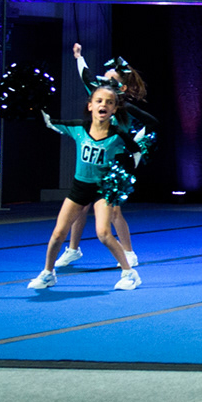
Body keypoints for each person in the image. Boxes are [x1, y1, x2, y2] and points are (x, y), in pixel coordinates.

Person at [27, 83, 140, 291]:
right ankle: (48, 274)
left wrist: (124, 174)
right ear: (90, 106)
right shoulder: (78, 128)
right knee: (58, 234)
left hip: (102, 190)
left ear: (114, 109)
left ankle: (129, 273)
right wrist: (35, 106)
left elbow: (136, 151)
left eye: (109, 102)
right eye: (99, 101)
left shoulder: (117, 135)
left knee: (103, 233)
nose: (103, 105)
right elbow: (50, 123)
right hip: (79, 188)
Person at [61, 44, 155, 269]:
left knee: (113, 211)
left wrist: (137, 145)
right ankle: (73, 249)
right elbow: (86, 77)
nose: (103, 82)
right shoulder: (101, 97)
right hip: (94, 161)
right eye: (103, 78)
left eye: (109, 79)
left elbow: (151, 124)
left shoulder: (123, 107)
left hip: (114, 164)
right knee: (80, 206)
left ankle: (129, 252)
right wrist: (79, 57)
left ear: (121, 86)